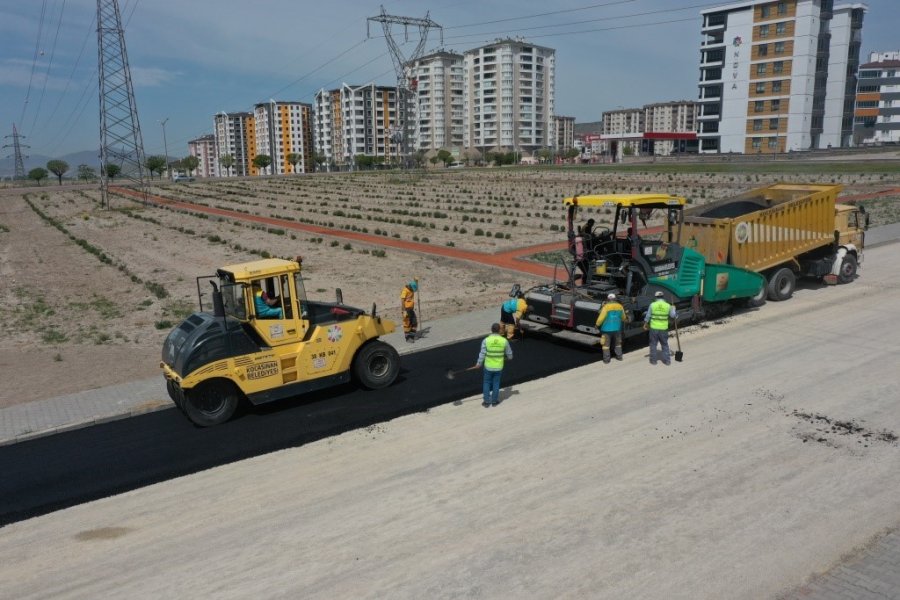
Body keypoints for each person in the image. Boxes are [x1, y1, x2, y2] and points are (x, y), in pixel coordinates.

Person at [475, 323, 513, 407]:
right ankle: (494, 401)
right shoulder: (504, 341)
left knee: (486, 383)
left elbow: (482, 353)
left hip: (488, 366)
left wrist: (479, 363)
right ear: (499, 330)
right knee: (496, 383)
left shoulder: (486, 340)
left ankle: (486, 401)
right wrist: (507, 358)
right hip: (498, 367)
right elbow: (510, 355)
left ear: (491, 330)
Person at [644, 290, 676, 365]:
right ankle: (667, 361)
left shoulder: (652, 305)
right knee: (664, 345)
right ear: (663, 297)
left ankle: (653, 361)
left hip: (654, 328)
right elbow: (673, 316)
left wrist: (645, 324)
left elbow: (648, 316)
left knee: (653, 344)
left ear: (656, 297)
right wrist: (673, 309)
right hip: (663, 329)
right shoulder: (668, 305)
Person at [595, 292, 630, 363]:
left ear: (608, 299)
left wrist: (597, 325)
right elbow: (623, 317)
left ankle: (607, 360)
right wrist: (626, 320)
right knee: (618, 344)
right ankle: (619, 357)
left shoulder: (606, 307)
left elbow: (601, 317)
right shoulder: (620, 306)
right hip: (617, 328)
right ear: (615, 299)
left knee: (606, 345)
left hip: (606, 329)